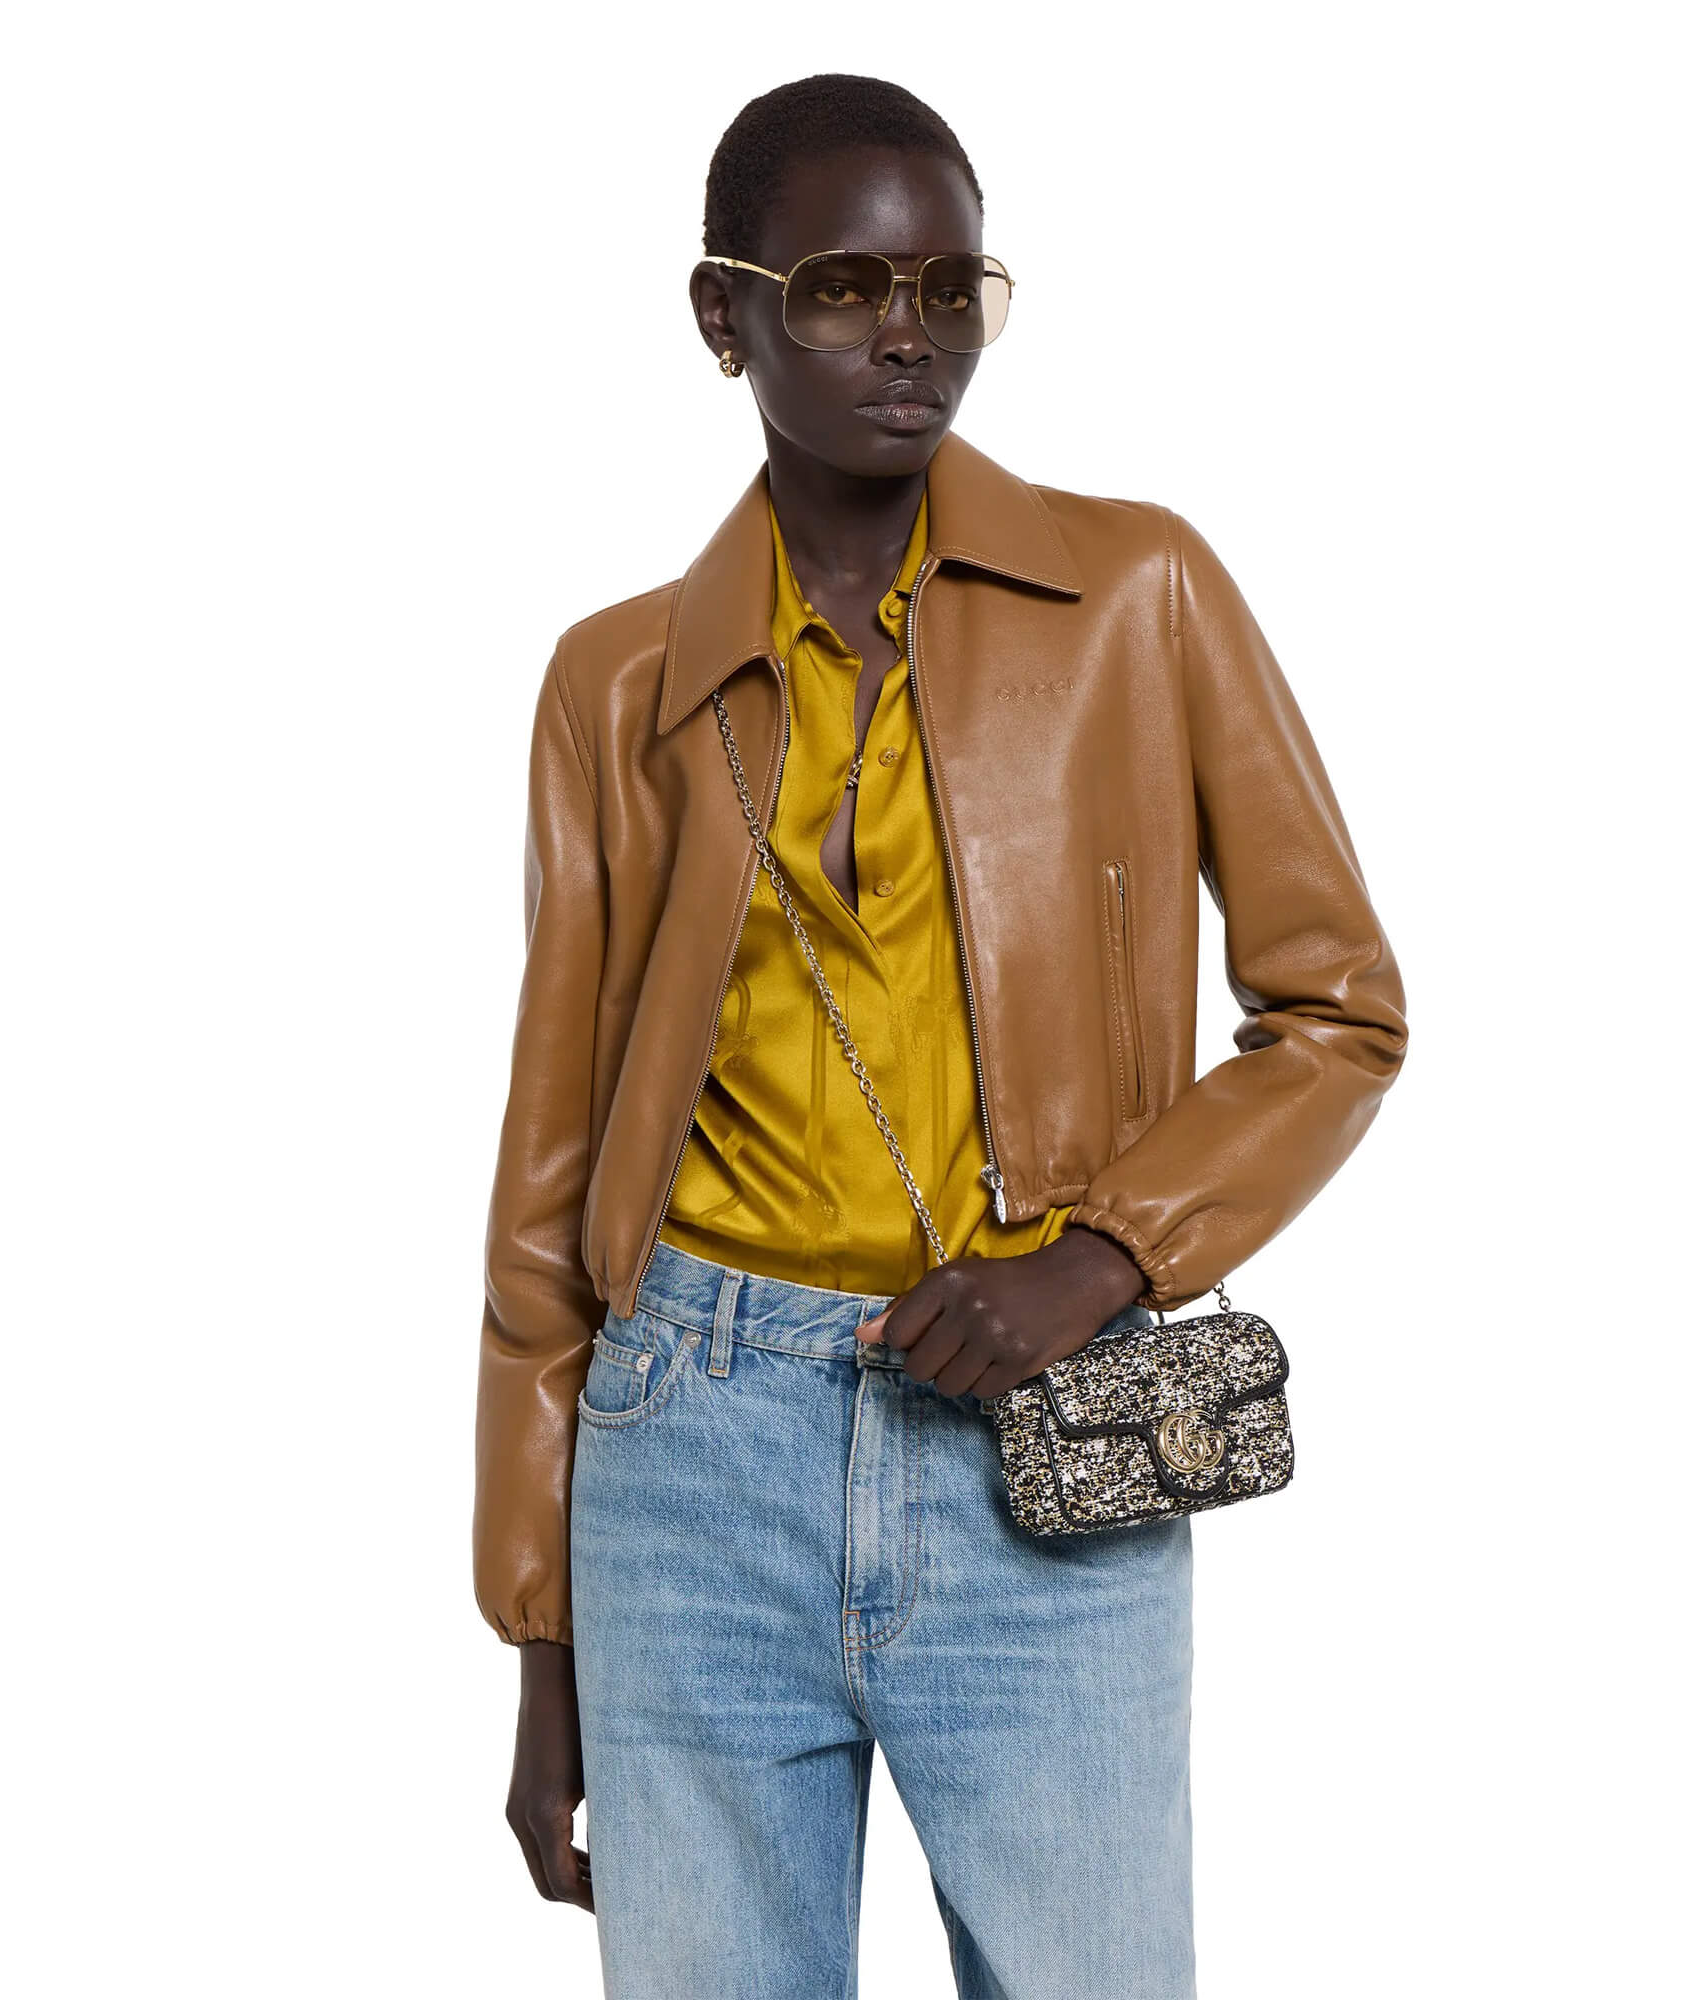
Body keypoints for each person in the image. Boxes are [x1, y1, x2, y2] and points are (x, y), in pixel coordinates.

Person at [476, 72, 1408, 1998]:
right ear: (723, 315)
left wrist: (1105, 1255)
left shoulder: (1139, 592)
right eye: (842, 288)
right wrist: (543, 1642)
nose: (909, 337)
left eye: (949, 289)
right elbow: (548, 1182)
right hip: (688, 1448)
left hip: (1038, 1441)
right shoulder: (612, 681)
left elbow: (1338, 1008)